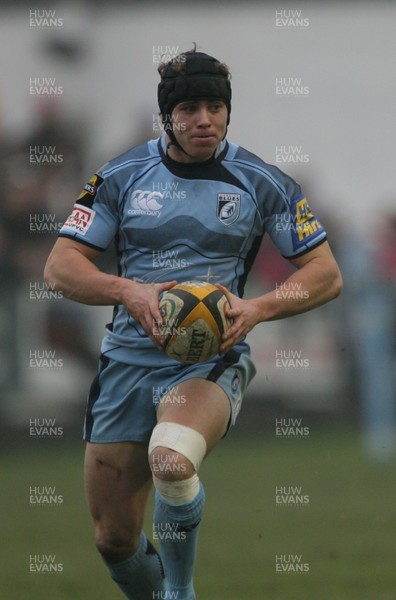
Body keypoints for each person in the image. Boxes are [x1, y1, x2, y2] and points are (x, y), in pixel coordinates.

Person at [44, 47, 342, 600]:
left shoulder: (261, 181)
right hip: (126, 362)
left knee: (172, 460)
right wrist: (127, 290)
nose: (204, 119)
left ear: (228, 112)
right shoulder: (120, 175)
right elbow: (59, 268)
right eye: (189, 110)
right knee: (113, 538)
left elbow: (325, 273)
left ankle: (181, 593)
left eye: (214, 106)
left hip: (210, 360)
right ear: (168, 117)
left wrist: (257, 309)